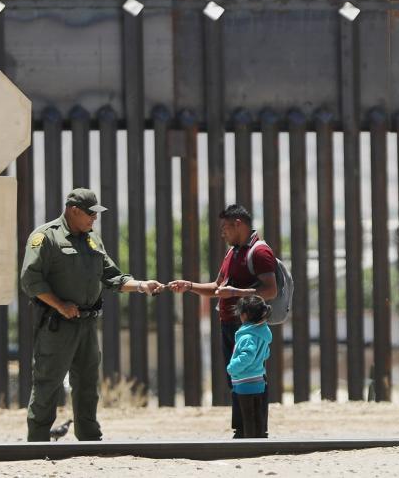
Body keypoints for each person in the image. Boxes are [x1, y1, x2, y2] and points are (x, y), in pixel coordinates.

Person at [20, 187, 163, 442]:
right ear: (73, 211)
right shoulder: (46, 238)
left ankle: (88, 438)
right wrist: (60, 305)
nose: (94, 219)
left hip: (86, 325)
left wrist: (141, 285)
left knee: (87, 384)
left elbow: (111, 277)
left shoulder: (92, 240)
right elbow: (30, 281)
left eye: (96, 214)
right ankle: (37, 440)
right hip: (58, 325)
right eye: (89, 214)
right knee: (48, 383)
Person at [168, 204, 277, 438]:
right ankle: (242, 429)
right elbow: (218, 288)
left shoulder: (259, 252)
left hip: (248, 326)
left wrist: (236, 292)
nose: (222, 233)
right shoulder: (233, 252)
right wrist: (190, 286)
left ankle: (257, 430)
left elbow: (270, 290)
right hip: (229, 325)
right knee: (236, 378)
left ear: (238, 224)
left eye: (225, 228)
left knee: (253, 376)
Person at [226, 295, 273, 438]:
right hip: (259, 379)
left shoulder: (247, 337)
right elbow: (266, 354)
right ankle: (259, 439)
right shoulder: (262, 334)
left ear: (245, 315)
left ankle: (250, 442)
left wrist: (232, 367)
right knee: (257, 413)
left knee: (247, 415)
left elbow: (247, 356)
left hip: (245, 381)